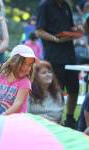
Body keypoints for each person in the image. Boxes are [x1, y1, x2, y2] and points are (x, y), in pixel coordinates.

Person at [35, 0, 81, 128]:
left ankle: (70, 119)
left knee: (74, 89)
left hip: (70, 54)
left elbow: (70, 27)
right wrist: (54, 39)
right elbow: (39, 31)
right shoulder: (44, 6)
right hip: (54, 55)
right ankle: (55, 119)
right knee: (56, 89)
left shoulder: (66, 5)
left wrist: (76, 30)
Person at [0, 45, 36, 115]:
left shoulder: (25, 83)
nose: (27, 68)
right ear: (13, 62)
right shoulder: (1, 78)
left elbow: (18, 104)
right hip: (1, 115)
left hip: (17, 119)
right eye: (23, 63)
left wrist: (3, 115)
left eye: (30, 65)